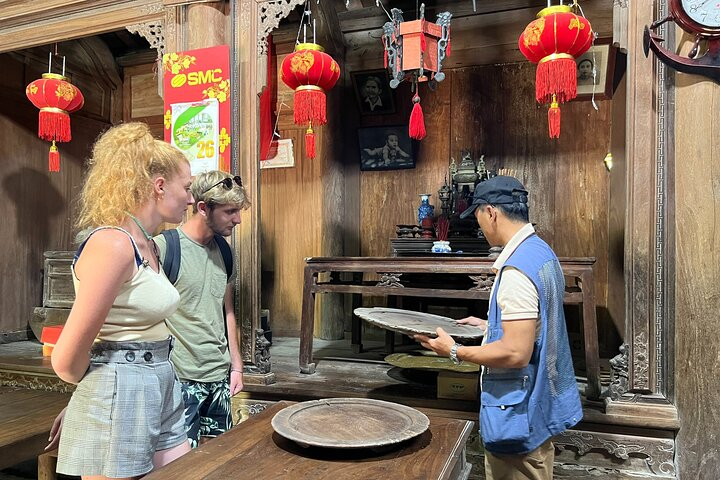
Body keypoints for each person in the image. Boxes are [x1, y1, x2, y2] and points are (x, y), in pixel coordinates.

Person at [50, 122, 195, 478]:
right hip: (124, 381)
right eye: (187, 188)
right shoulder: (112, 244)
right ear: (159, 186)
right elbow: (65, 360)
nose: (191, 200)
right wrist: (93, 396)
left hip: (160, 375)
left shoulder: (149, 245)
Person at [414, 176, 582, 480]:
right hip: (540, 404)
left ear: (491, 212)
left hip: (520, 413)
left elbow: (516, 353)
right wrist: (490, 326)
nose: (479, 226)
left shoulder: (517, 270)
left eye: (478, 216)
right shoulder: (541, 252)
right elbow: (537, 321)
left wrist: (454, 350)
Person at [154, 170, 250, 448]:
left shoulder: (225, 251)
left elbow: (227, 310)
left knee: (217, 457)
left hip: (219, 375)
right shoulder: (165, 248)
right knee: (182, 463)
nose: (238, 219)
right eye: (230, 211)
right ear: (203, 208)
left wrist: (236, 365)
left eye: (238, 211)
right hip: (181, 376)